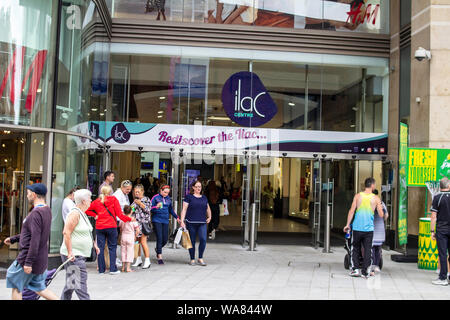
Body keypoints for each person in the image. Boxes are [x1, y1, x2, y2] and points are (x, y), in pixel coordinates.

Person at [4, 183, 59, 300]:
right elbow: (31, 233)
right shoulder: (46, 210)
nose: (27, 195)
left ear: (34, 195)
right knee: (40, 289)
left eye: (28, 193)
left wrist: (28, 262)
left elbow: (35, 239)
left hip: (28, 258)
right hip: (40, 258)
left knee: (16, 286)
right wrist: (14, 239)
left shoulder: (35, 213)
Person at [60, 189, 100, 300]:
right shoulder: (74, 213)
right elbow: (66, 232)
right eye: (89, 199)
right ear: (83, 201)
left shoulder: (82, 213)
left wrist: (94, 245)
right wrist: (70, 252)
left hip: (78, 254)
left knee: (71, 284)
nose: (91, 200)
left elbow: (86, 232)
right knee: (80, 284)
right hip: (74, 255)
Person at [86, 185, 133, 275]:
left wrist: (95, 215)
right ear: (110, 192)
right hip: (111, 226)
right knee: (112, 247)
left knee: (100, 248)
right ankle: (112, 269)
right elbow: (119, 215)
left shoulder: (96, 201)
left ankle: (101, 270)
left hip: (100, 227)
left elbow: (87, 210)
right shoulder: (114, 200)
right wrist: (130, 219)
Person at [343, 177, 384, 278]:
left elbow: (351, 211)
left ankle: (355, 270)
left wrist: (347, 224)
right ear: (373, 185)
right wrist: (380, 208)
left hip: (357, 228)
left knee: (355, 248)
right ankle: (365, 271)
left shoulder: (357, 196)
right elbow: (381, 215)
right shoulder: (376, 198)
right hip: (368, 229)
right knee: (367, 250)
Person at [180, 180, 212, 266]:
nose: (198, 188)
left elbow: (207, 208)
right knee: (192, 241)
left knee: (203, 240)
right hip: (191, 222)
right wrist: (182, 221)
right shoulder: (189, 197)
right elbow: (184, 209)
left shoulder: (204, 197)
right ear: (193, 187)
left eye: (200, 187)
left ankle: (200, 258)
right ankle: (192, 259)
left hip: (202, 222)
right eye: (197, 186)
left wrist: (209, 216)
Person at [151, 185, 182, 265]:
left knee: (165, 239)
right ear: (161, 190)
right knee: (160, 237)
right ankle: (159, 256)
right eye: (165, 192)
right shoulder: (155, 197)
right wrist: (156, 207)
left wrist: (177, 217)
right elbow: (149, 208)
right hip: (156, 220)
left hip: (165, 220)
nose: (166, 194)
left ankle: (158, 249)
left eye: (167, 193)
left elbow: (170, 210)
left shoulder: (168, 199)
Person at [430, 177, 450, 286]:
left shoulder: (437, 197)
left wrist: (432, 231)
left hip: (441, 230)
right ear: (449, 186)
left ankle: (443, 278)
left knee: (443, 254)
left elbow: (433, 216)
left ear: (440, 186)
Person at [131, 184, 152, 269]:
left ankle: (147, 260)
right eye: (135, 192)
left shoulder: (146, 199)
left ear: (142, 192)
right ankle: (138, 259)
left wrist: (140, 203)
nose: (136, 193)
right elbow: (132, 210)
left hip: (143, 224)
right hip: (136, 225)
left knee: (143, 242)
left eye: (138, 192)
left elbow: (148, 210)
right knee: (137, 242)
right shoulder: (135, 200)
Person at [113, 180, 133, 267]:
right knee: (115, 239)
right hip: (117, 219)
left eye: (130, 189)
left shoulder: (125, 195)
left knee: (118, 240)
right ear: (122, 187)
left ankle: (115, 257)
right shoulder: (117, 195)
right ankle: (114, 258)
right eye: (127, 189)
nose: (128, 191)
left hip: (121, 218)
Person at [370, 189, 388, 275]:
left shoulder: (370, 203)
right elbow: (386, 216)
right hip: (380, 229)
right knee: (378, 249)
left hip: (373, 229)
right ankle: (376, 266)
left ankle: (372, 266)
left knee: (372, 249)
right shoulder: (382, 203)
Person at [119, 205, 140, 273]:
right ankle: (128, 268)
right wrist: (136, 236)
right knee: (130, 252)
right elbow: (138, 230)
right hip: (130, 236)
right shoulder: (133, 220)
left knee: (123, 251)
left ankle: (122, 267)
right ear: (131, 211)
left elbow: (120, 228)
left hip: (123, 236)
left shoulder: (122, 220)